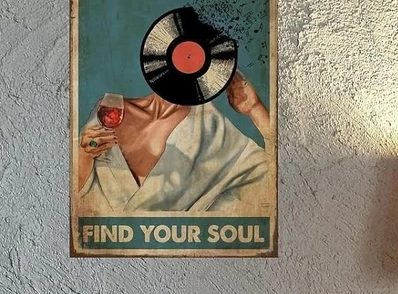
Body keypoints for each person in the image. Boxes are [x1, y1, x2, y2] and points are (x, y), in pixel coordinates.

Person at [77, 71, 272, 213]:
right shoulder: (109, 110)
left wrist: (255, 109)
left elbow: (272, 173)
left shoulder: (210, 126)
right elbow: (77, 197)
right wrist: (84, 154)